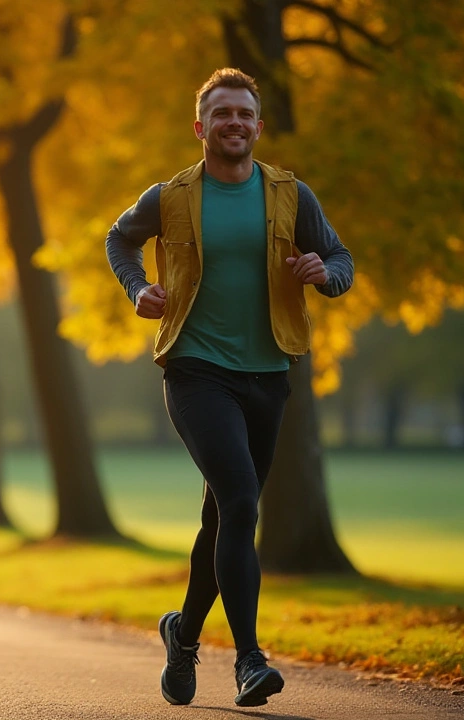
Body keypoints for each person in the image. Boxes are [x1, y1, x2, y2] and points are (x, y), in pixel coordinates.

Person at [105, 68, 353, 708]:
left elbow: (342, 263)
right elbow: (118, 240)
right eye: (222, 114)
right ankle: (248, 659)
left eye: (244, 114)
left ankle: (182, 635)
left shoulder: (292, 196)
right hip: (195, 370)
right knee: (242, 498)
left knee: (225, 513)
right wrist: (139, 289)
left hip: (270, 374)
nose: (234, 123)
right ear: (201, 126)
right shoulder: (170, 197)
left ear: (258, 126)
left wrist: (323, 271)